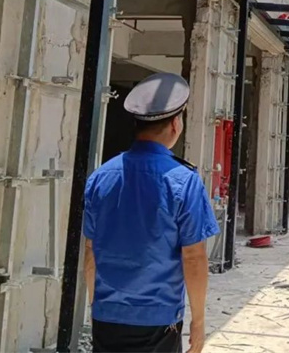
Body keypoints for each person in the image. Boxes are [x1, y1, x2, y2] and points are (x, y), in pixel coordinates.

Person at [83, 72, 219, 353]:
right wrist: (198, 322)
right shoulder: (184, 181)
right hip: (157, 319)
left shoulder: (100, 177)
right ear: (175, 124)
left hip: (107, 316)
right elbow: (193, 257)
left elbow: (90, 251)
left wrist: (97, 304)